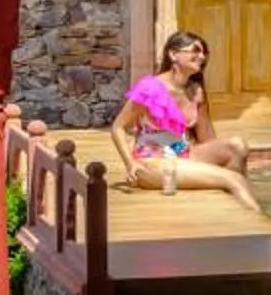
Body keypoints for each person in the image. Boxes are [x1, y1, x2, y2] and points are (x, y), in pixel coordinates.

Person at [110, 31, 261, 215]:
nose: (202, 56)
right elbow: (117, 127)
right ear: (173, 54)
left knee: (237, 146)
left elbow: (207, 139)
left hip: (184, 154)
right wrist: (130, 163)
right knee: (234, 179)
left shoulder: (195, 91)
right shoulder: (150, 87)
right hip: (151, 163)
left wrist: (215, 161)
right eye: (195, 51)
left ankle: (230, 208)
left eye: (204, 52)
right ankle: (258, 223)